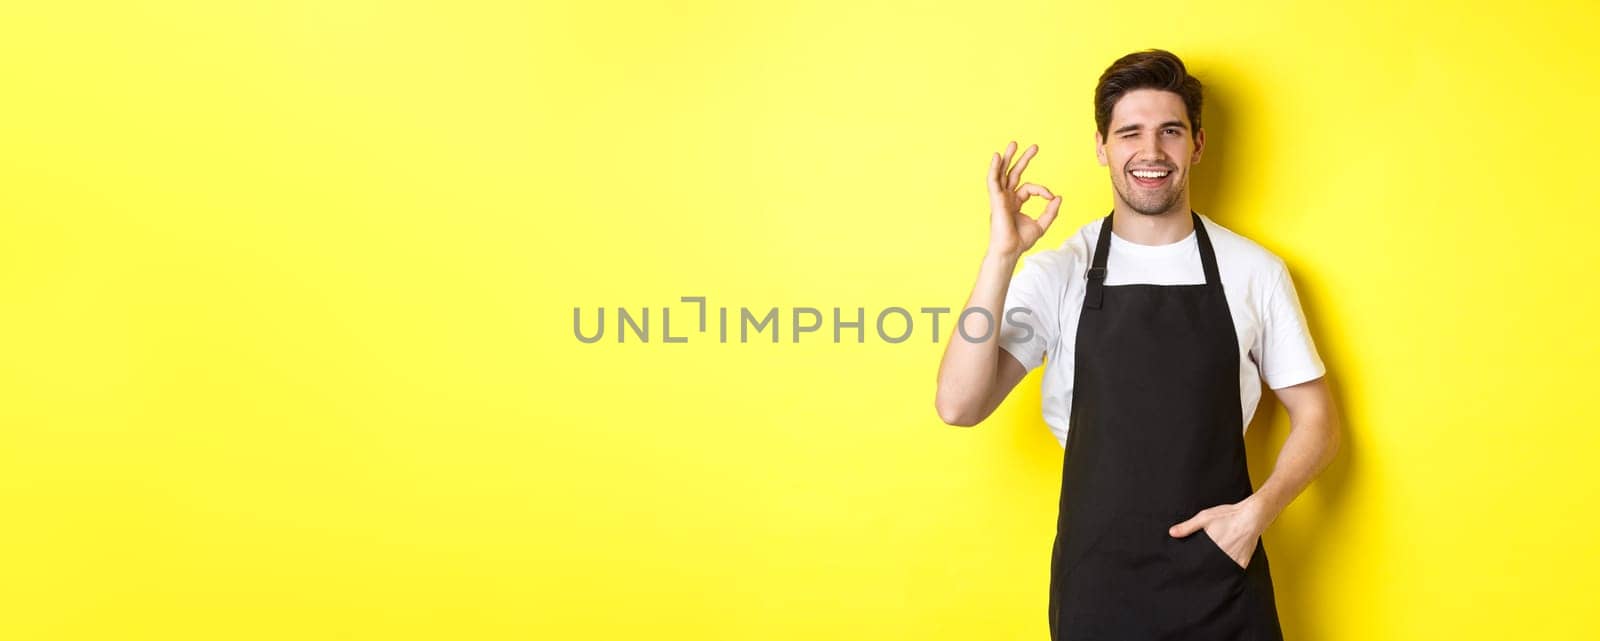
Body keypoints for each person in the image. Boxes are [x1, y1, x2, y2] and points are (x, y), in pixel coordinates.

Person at [933, 49, 1340, 640]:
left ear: (1197, 144)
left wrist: (1257, 514)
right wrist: (1002, 256)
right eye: (1130, 133)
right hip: (1097, 587)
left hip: (1221, 580)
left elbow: (1319, 419)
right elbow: (959, 405)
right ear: (1102, 146)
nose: (1150, 153)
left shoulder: (1254, 271)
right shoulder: (1059, 272)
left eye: (1170, 131)